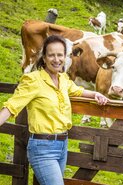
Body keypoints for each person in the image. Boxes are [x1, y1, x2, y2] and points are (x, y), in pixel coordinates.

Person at [0, 35, 109, 185]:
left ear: (65, 57)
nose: (56, 59)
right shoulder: (33, 80)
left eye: (60, 55)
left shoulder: (63, 79)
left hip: (62, 146)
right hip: (42, 148)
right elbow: (12, 105)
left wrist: (95, 94)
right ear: (44, 58)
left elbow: (77, 90)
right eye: (51, 55)